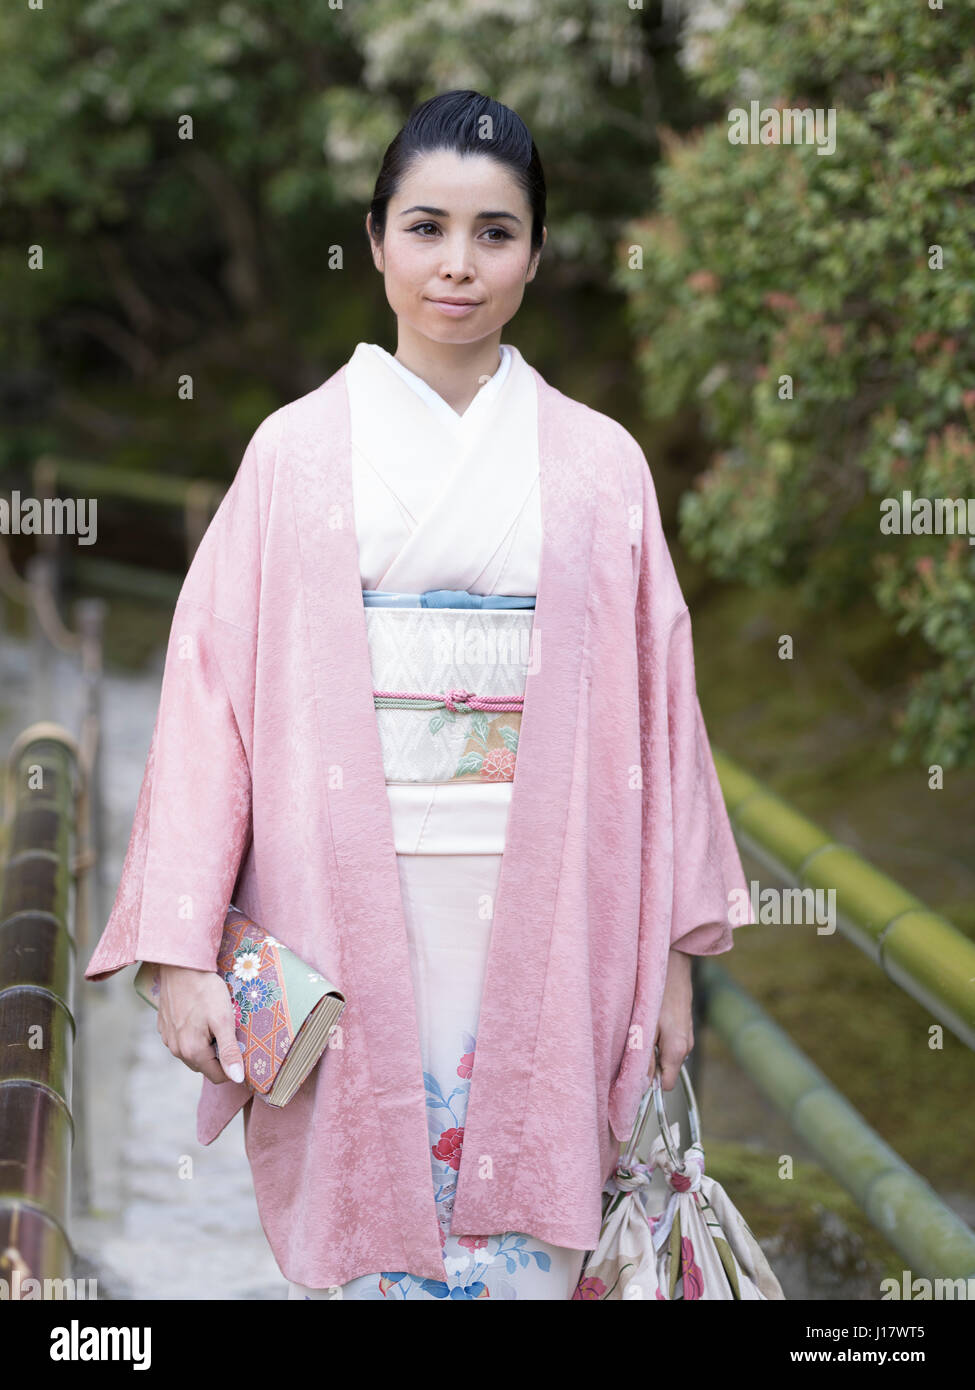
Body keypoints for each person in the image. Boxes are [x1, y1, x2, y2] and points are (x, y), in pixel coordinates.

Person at [85, 89, 750, 1300]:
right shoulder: (296, 452)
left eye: (496, 233)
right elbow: (208, 699)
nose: (460, 264)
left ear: (538, 254)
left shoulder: (602, 465)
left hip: (554, 906)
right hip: (339, 902)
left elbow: (664, 712)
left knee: (534, 1238)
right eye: (428, 226)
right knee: (366, 1236)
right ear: (377, 238)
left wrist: (671, 963)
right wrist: (181, 955)